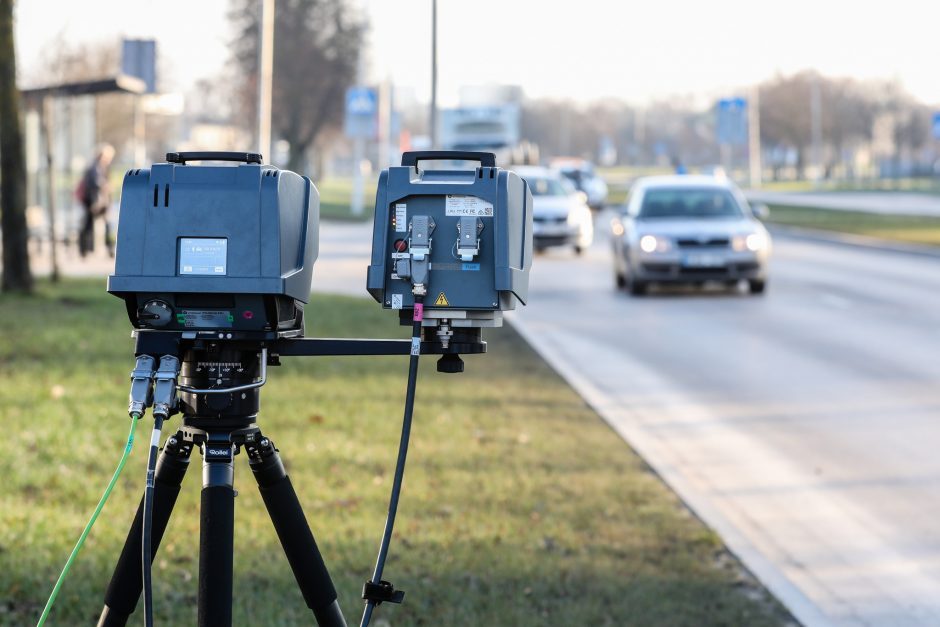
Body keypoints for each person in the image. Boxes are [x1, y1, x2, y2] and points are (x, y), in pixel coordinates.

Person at [78, 144, 115, 257]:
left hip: (100, 201)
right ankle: (85, 249)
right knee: (89, 225)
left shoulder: (102, 168)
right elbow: (94, 185)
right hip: (94, 202)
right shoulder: (94, 168)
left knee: (103, 224)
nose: (109, 160)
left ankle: (107, 248)